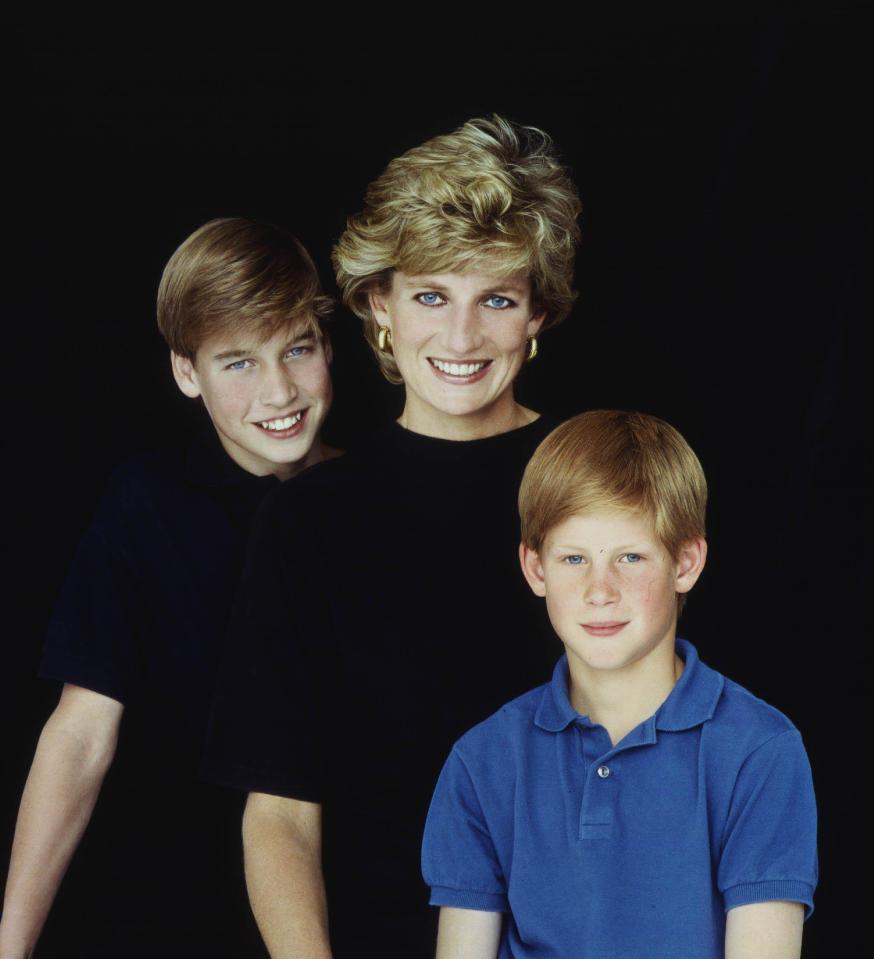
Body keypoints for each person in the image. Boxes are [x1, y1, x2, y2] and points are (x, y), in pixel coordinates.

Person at [202, 115, 582, 957]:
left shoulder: (599, 476)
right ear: (379, 304)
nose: (459, 338)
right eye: (431, 296)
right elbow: (280, 813)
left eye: (497, 299)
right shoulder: (310, 519)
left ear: (538, 315)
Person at [0, 218, 335, 959]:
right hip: (173, 897)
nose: (279, 389)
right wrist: (9, 946)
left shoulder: (366, 495)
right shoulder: (147, 501)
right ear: (188, 373)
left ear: (328, 345)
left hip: (341, 892)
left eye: (299, 349)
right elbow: (81, 733)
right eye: (238, 362)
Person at [422, 410, 819, 959]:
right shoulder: (483, 760)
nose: (599, 589)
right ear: (535, 570)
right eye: (574, 559)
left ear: (685, 562)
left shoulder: (760, 751)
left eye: (630, 557)